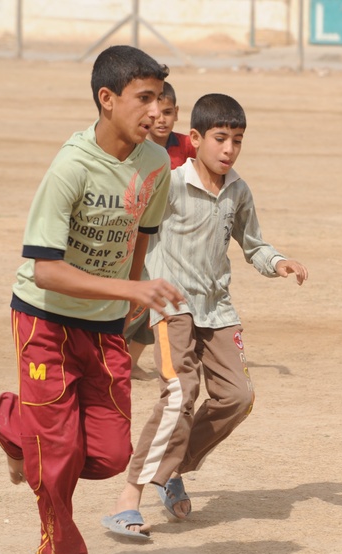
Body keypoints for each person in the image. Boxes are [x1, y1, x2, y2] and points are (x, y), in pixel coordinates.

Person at [0, 45, 184, 554]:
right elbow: (45, 270)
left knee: (107, 452)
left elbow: (140, 238)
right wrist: (129, 288)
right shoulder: (70, 167)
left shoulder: (154, 163)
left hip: (102, 325)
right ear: (107, 99)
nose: (156, 111)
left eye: (160, 99)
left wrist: (128, 303)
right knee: (56, 454)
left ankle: (12, 424)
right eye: (143, 99)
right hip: (43, 319)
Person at [104, 92, 308, 537]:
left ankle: (172, 468)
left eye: (237, 140)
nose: (229, 149)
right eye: (220, 138)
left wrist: (279, 262)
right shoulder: (169, 184)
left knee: (238, 397)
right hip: (172, 305)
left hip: (218, 310)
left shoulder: (238, 190)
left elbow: (253, 244)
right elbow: (136, 230)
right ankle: (129, 499)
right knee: (180, 393)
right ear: (195, 139)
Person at [126, 80, 198, 381]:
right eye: (157, 113)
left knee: (159, 302)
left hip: (172, 240)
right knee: (136, 300)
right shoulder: (137, 147)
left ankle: (129, 363)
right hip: (140, 237)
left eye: (168, 112)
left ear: (177, 113)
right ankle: (108, 357)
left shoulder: (185, 145)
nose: (162, 119)